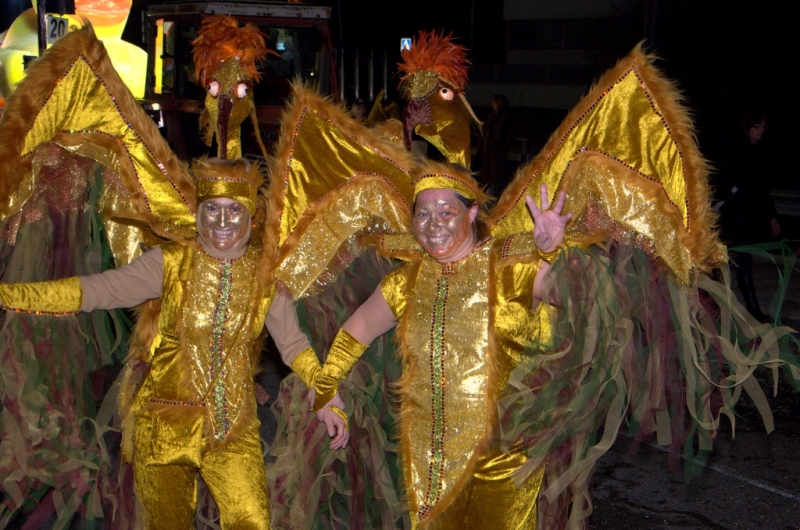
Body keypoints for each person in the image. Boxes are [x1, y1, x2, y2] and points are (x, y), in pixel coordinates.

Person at [0, 157, 346, 529]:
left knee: (252, 521)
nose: (222, 221)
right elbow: (99, 290)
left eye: (234, 210)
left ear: (252, 216)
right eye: (211, 209)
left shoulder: (265, 279)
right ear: (198, 213)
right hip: (163, 427)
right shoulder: (171, 263)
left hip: (232, 431)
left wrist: (325, 393)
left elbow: (293, 344)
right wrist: (10, 295)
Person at [309, 162, 570, 528]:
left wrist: (552, 253)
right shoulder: (406, 282)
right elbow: (361, 326)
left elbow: (570, 295)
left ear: (472, 213)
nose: (433, 225)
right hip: (428, 463)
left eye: (447, 213)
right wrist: (326, 385)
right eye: (423, 214)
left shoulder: (511, 267)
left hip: (504, 457)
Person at [714, 109, 780, 321]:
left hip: (746, 217)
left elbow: (763, 189)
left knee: (741, 260)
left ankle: (748, 308)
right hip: (729, 216)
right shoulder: (735, 150)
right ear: (747, 128)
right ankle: (720, 305)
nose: (761, 131)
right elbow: (721, 178)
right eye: (756, 127)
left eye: (763, 127)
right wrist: (731, 193)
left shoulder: (760, 153)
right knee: (725, 260)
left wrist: (771, 217)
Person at [476, 94, 514, 193]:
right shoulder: (492, 116)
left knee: (496, 175)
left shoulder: (504, 117)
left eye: (494, 102)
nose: (492, 104)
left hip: (496, 151)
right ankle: (488, 193)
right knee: (488, 174)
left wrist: (497, 145)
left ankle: (495, 193)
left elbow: (505, 135)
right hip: (488, 150)